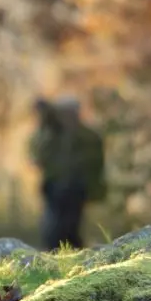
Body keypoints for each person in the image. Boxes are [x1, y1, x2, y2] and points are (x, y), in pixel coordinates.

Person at [30, 96, 106, 250]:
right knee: (52, 228)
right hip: (53, 188)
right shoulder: (50, 135)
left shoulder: (88, 137)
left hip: (76, 189)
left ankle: (72, 255)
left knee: (71, 228)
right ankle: (54, 254)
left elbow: (95, 163)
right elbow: (36, 157)